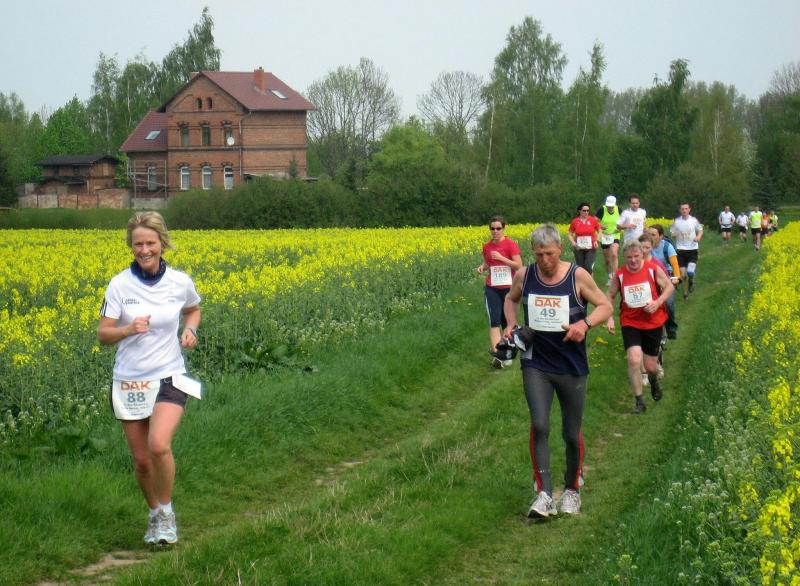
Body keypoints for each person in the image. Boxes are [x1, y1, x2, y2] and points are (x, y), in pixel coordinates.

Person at [98, 211, 201, 545]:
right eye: (138, 244)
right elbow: (103, 334)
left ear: (162, 244)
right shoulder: (119, 284)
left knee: (159, 445)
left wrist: (190, 330)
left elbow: (193, 309)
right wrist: (128, 329)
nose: (144, 250)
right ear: (131, 246)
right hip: (129, 380)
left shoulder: (180, 282)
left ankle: (167, 515)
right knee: (142, 462)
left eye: (150, 243)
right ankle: (154, 513)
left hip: (169, 374)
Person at [503, 224, 612, 517]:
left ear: (560, 249)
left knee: (571, 432)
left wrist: (584, 324)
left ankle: (572, 490)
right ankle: (544, 494)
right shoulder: (525, 275)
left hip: (571, 365)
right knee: (539, 425)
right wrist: (511, 325)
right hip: (535, 363)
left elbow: (605, 306)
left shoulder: (577, 275)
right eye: (539, 255)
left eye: (549, 254)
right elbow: (510, 299)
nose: (545, 260)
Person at [606, 240, 674, 414]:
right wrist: (609, 318)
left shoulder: (652, 269)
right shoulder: (620, 274)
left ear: (642, 254)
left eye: (636, 256)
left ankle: (653, 380)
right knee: (634, 359)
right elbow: (610, 295)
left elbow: (669, 287)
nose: (633, 260)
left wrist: (657, 302)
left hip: (652, 321)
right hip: (630, 321)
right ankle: (639, 402)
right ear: (624, 257)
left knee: (650, 366)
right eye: (629, 257)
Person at [476, 216, 523, 368]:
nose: (495, 231)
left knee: (508, 322)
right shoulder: (487, 247)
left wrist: (502, 258)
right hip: (492, 288)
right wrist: (482, 267)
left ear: (503, 228)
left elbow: (519, 266)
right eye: (492, 228)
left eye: (498, 228)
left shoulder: (511, 245)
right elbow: (488, 263)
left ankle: (509, 351)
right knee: (494, 321)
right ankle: (498, 355)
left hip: (509, 289)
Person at [648, 225, 681, 340]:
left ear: (661, 236)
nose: (650, 237)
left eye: (653, 235)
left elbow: (675, 265)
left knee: (668, 303)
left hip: (668, 277)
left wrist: (677, 277)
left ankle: (671, 328)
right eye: (649, 234)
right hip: (650, 277)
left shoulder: (667, 247)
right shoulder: (645, 247)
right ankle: (657, 332)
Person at [670, 202, 703, 300]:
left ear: (689, 209)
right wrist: (675, 234)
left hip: (692, 249)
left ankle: (691, 281)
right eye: (682, 209)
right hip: (680, 250)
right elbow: (672, 233)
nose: (684, 210)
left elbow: (700, 230)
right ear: (680, 210)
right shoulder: (677, 221)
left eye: (686, 208)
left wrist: (698, 237)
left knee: (690, 272)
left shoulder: (693, 220)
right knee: (683, 275)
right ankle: (685, 293)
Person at [567, 202, 602, 274]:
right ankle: (583, 281)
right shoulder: (575, 221)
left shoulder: (593, 220)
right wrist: (573, 243)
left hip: (591, 247)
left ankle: (590, 280)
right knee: (580, 268)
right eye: (584, 210)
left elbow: (600, 231)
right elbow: (569, 234)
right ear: (579, 211)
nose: (586, 212)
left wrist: (597, 241)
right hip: (579, 248)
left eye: (588, 210)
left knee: (588, 267)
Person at [596, 195, 621, 286]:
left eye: (611, 206)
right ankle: (610, 277)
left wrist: (620, 228)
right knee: (607, 260)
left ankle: (616, 277)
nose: (610, 207)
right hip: (604, 236)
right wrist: (600, 226)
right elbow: (594, 222)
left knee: (614, 254)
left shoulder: (619, 210)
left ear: (615, 204)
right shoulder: (602, 210)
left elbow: (624, 221)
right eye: (608, 206)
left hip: (615, 235)